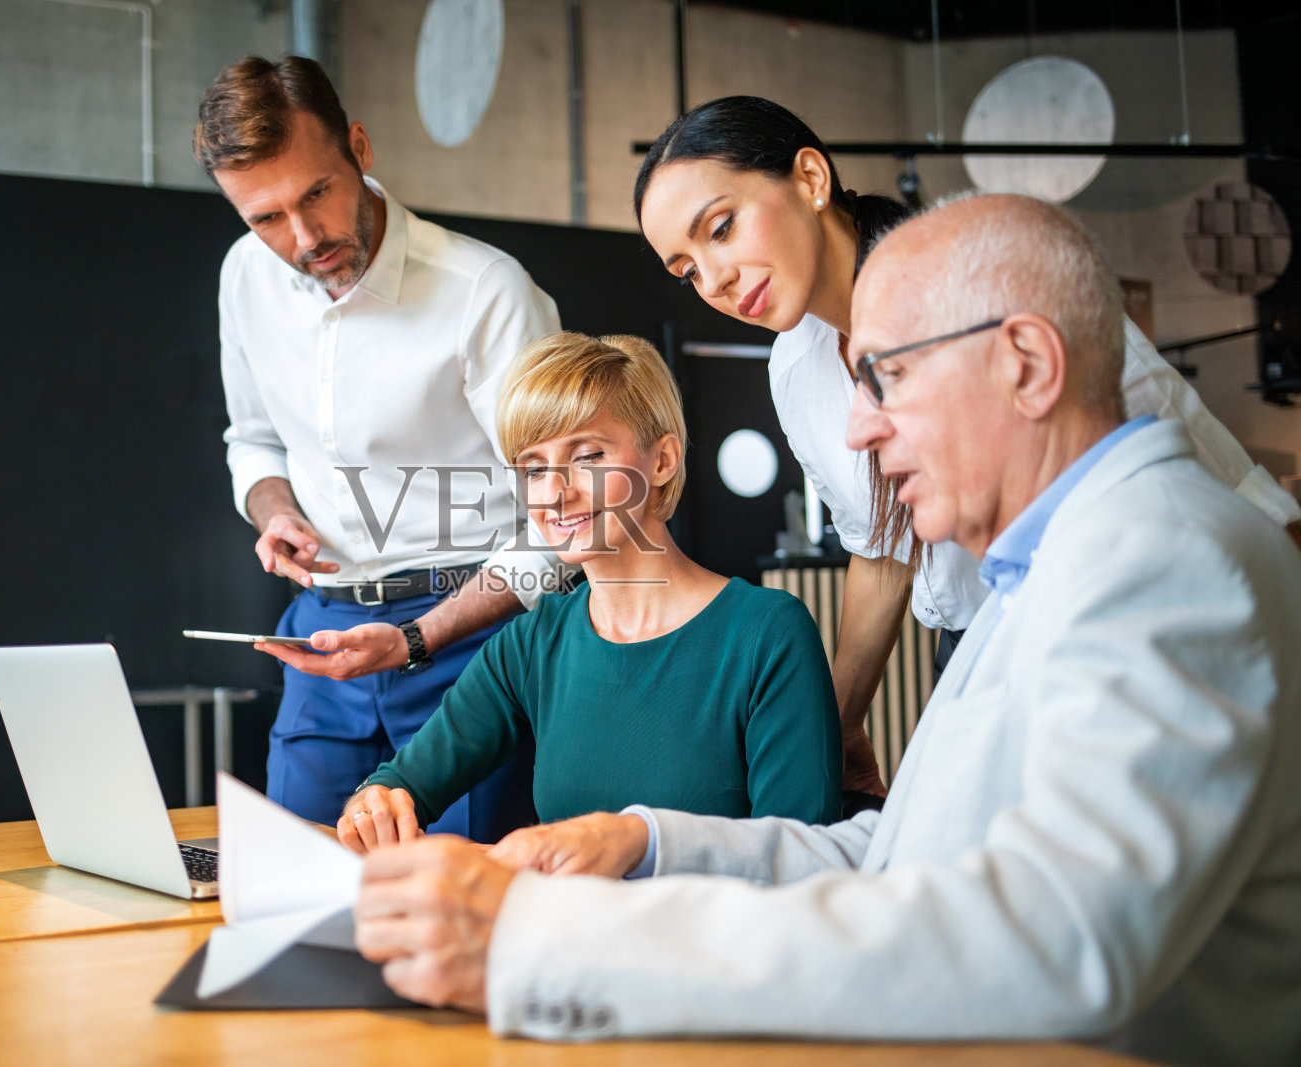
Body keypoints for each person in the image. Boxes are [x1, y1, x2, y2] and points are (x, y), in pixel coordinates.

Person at [351, 195, 1301, 1067]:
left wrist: (549, 942)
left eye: (883, 376)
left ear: (1027, 363)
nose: (857, 431)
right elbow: (896, 854)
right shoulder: (1048, 571)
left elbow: (1053, 941)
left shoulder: (1163, 561)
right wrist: (637, 837)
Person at [632, 96, 1301, 809]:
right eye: (686, 270)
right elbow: (884, 545)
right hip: (971, 648)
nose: (715, 279)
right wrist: (836, 725)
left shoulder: (982, 277)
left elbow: (1177, 451)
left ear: (810, 177)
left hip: (1126, 612)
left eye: (722, 228)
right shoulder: (792, 369)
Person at [192, 56, 564, 841]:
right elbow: (253, 440)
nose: (302, 239)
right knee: (295, 891)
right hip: (324, 636)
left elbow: (561, 523)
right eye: (263, 218)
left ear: (359, 147)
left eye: (316, 194)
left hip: (475, 644)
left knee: (461, 918)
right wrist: (277, 511)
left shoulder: (487, 292)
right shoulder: (244, 278)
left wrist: (419, 638)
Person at [337, 332, 842, 853]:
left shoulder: (767, 634)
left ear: (663, 459)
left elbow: (802, 863)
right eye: (534, 469)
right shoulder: (532, 644)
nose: (557, 492)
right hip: (566, 931)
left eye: (588, 456)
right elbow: (399, 784)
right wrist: (372, 805)